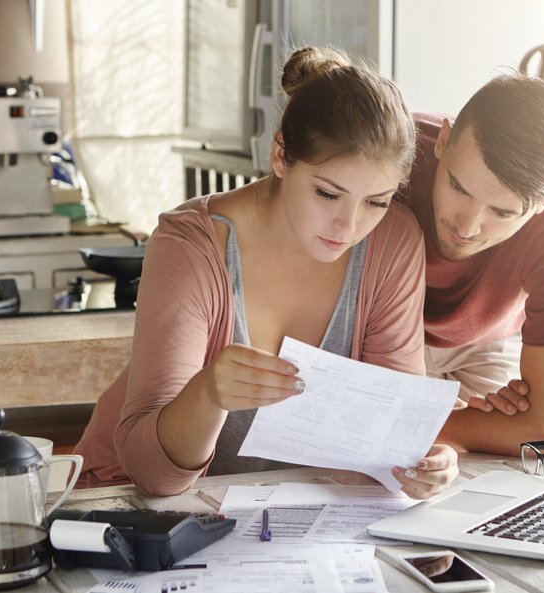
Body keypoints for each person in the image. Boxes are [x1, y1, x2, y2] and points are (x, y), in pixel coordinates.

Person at [74, 47, 458, 499]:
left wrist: (421, 463)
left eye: (375, 201)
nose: (349, 226)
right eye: (327, 194)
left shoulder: (393, 241)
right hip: (131, 506)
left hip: (279, 516)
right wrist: (208, 395)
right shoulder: (190, 245)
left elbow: (383, 441)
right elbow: (153, 478)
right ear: (280, 155)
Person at [398, 74, 544, 456]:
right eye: (458, 187)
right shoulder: (393, 150)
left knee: (506, 476)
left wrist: (414, 421)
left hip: (485, 342)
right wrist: (437, 421)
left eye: (502, 212)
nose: (466, 227)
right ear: (442, 140)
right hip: (379, 333)